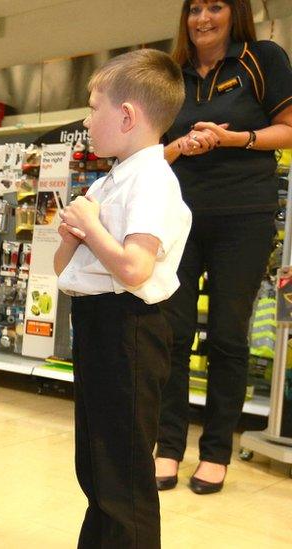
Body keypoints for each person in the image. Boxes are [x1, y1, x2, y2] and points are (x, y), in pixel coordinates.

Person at [155, 0, 292, 495]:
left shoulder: (263, 58)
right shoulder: (170, 71)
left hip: (244, 218)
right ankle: (168, 446)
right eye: (194, 8)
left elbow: (290, 130)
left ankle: (216, 453)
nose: (203, 18)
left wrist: (235, 140)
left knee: (229, 339)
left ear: (235, 13)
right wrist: (179, 147)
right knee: (170, 333)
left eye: (216, 6)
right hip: (178, 218)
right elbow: (152, 146)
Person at [55, 49, 190, 547]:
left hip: (129, 327)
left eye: (94, 108)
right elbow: (63, 270)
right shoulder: (115, 177)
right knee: (96, 463)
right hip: (97, 323)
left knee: (124, 471)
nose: (88, 120)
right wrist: (74, 234)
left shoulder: (153, 179)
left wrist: (91, 226)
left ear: (127, 115)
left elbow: (135, 267)